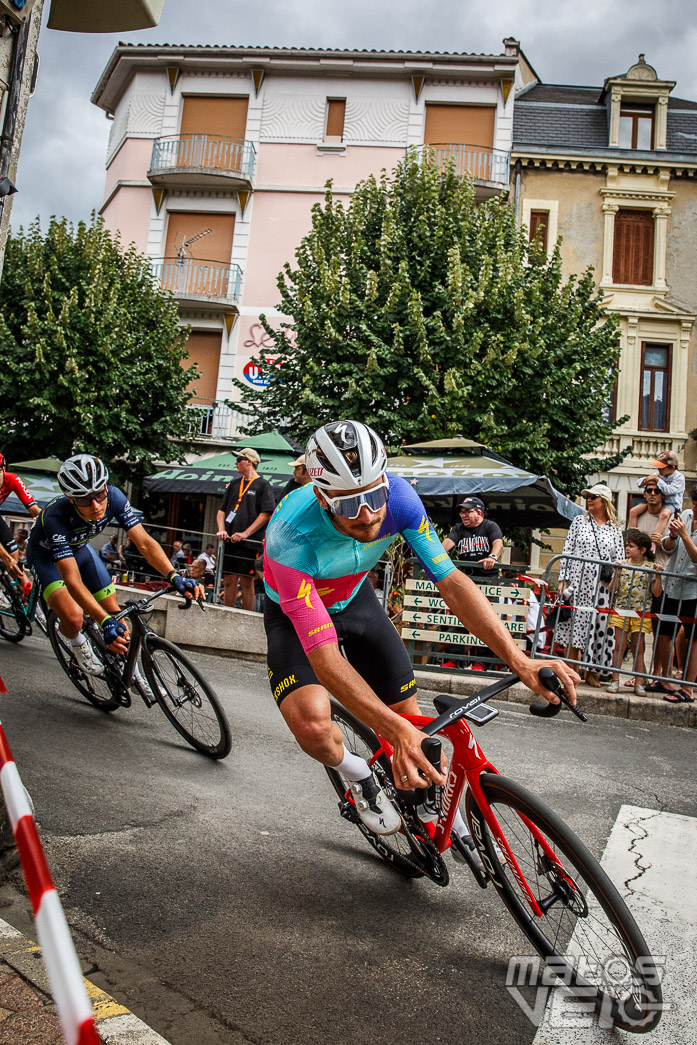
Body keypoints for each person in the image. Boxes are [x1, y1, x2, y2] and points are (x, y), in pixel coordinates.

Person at [262, 420, 579, 847]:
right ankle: (358, 776)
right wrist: (391, 730)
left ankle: (434, 803)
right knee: (315, 727)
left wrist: (520, 660)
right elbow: (324, 657)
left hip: (355, 598)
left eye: (374, 497)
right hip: (294, 612)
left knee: (416, 729)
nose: (368, 514)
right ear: (321, 496)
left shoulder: (402, 500)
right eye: (349, 505)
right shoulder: (290, 538)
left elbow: (451, 583)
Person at [26, 454, 202, 681]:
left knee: (117, 613)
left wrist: (174, 575)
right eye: (84, 500)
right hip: (46, 558)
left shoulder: (116, 497)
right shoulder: (55, 517)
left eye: (100, 494)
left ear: (106, 487)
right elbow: (72, 580)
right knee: (74, 616)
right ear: (70, 499)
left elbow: (145, 543)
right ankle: (77, 644)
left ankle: (127, 667)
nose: (96, 505)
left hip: (80, 549)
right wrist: (102, 621)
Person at [555, 483, 625, 686]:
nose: (589, 500)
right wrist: (563, 580)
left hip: (601, 586)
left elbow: (619, 559)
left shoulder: (615, 529)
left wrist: (616, 583)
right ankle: (570, 672)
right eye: (588, 496)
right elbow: (567, 551)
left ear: (604, 501)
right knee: (574, 627)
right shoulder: (579, 521)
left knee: (598, 628)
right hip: (577, 582)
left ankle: (591, 673)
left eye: (593, 497)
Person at [648, 483, 697, 703]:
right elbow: (668, 549)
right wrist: (673, 537)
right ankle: (665, 680)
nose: (694, 508)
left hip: (692, 590)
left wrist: (685, 535)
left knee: (693, 637)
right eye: (694, 503)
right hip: (672, 584)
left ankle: (687, 688)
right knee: (663, 632)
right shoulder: (685, 514)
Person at [606, 529, 663, 697]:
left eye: (631, 546)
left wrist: (658, 576)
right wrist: (616, 573)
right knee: (619, 646)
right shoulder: (622, 565)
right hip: (621, 611)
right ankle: (615, 680)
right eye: (626, 546)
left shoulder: (650, 568)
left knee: (638, 648)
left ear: (642, 549)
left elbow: (657, 592)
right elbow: (612, 589)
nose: (627, 549)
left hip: (641, 613)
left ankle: (639, 682)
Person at [216, 448, 275, 611]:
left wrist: (245, 534)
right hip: (230, 540)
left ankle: (246, 616)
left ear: (249, 462)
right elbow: (221, 511)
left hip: (249, 542)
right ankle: (226, 613)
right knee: (229, 579)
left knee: (247, 581)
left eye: (239, 459)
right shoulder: (234, 484)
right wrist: (222, 529)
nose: (236, 462)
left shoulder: (263, 485)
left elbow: (266, 513)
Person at [0, 452, 41, 580]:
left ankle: (22, 594)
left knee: (15, 557)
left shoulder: (12, 479)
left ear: (3, 469)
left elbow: (34, 511)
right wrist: (6, 559)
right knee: (8, 559)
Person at [442, 497, 504, 580]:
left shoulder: (490, 526)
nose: (463, 516)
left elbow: (498, 543)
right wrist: (437, 556)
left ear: (478, 513)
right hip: (466, 577)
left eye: (467, 512)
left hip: (488, 577)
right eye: (462, 512)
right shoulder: (458, 528)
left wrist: (492, 557)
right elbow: (447, 544)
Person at [629, 451, 685, 531]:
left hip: (671, 504)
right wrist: (646, 480)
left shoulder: (679, 477)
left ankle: (655, 538)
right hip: (657, 501)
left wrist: (657, 480)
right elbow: (639, 483)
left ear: (672, 468)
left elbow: (669, 491)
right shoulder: (658, 474)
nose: (659, 469)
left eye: (662, 467)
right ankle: (632, 534)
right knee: (633, 511)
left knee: (664, 515)